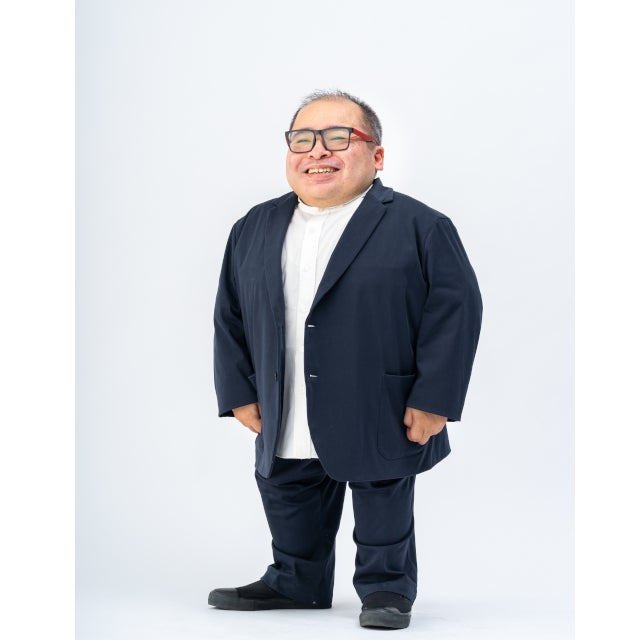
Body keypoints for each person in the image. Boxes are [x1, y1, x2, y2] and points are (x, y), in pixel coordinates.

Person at [210, 90, 482, 630]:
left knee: (382, 493)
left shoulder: (420, 225)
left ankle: (385, 588)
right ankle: (295, 580)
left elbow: (456, 313)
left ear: (376, 156)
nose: (318, 151)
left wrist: (435, 399)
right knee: (287, 487)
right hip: (285, 397)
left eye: (338, 137)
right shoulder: (254, 226)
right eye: (303, 139)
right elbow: (229, 312)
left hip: (380, 400)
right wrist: (238, 390)